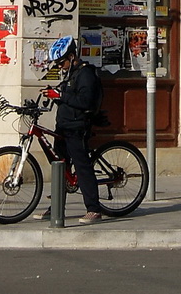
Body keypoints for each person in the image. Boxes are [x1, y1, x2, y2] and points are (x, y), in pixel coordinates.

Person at [50, 36, 106, 224]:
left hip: (77, 128)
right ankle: (56, 207)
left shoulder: (85, 74)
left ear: (72, 56)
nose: (59, 66)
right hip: (63, 127)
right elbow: (68, 98)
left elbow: (84, 101)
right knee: (60, 168)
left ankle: (93, 209)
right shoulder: (69, 74)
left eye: (61, 62)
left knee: (82, 167)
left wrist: (62, 96)